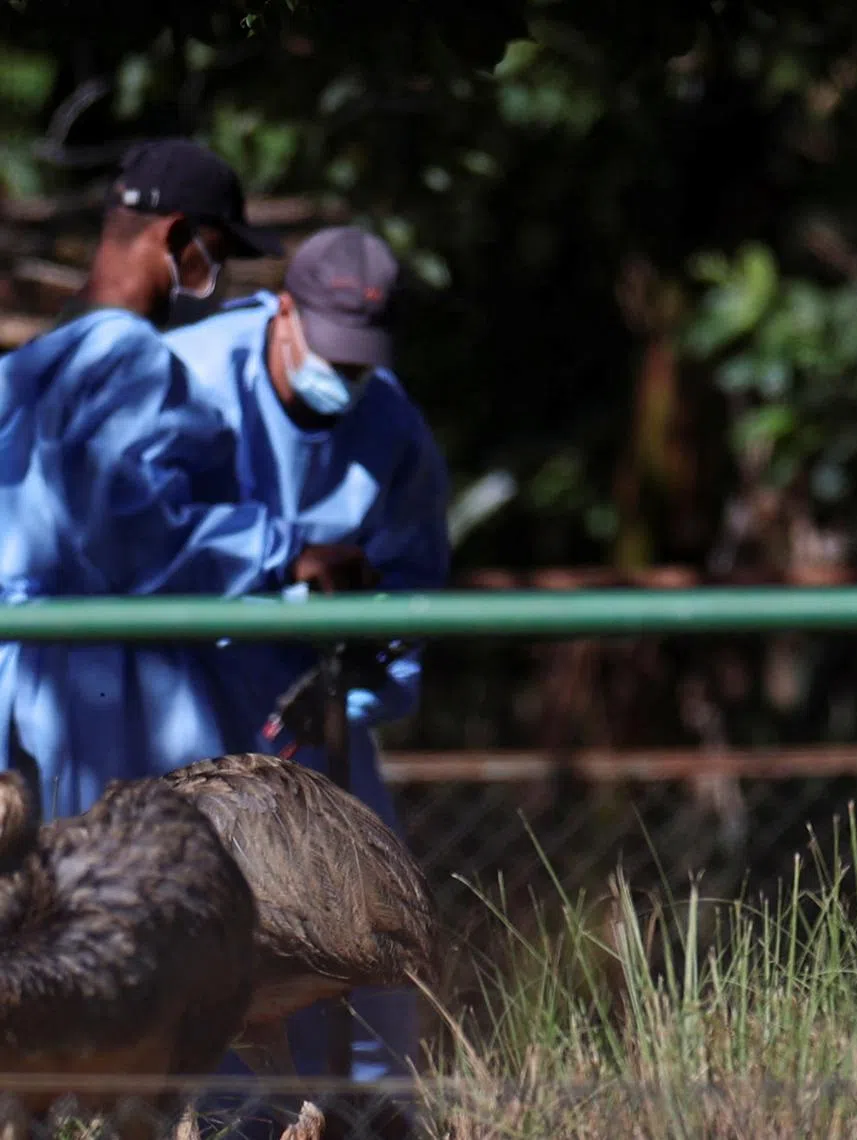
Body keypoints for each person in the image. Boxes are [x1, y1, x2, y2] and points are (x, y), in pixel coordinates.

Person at [162, 227, 450, 1122]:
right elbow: (142, 535)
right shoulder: (184, 380)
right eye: (331, 357)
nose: (344, 379)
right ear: (282, 312)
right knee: (184, 922)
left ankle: (373, 1112)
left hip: (315, 708)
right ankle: (231, 1118)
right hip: (183, 689)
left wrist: (363, 670)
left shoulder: (391, 425)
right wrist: (283, 562)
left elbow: (410, 585)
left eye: (361, 364)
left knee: (364, 914)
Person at [0, 138, 376, 821]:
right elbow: (132, 532)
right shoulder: (129, 355)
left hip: (22, 674)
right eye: (219, 254)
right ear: (177, 236)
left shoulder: (32, 363)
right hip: (99, 682)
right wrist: (285, 554)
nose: (221, 277)